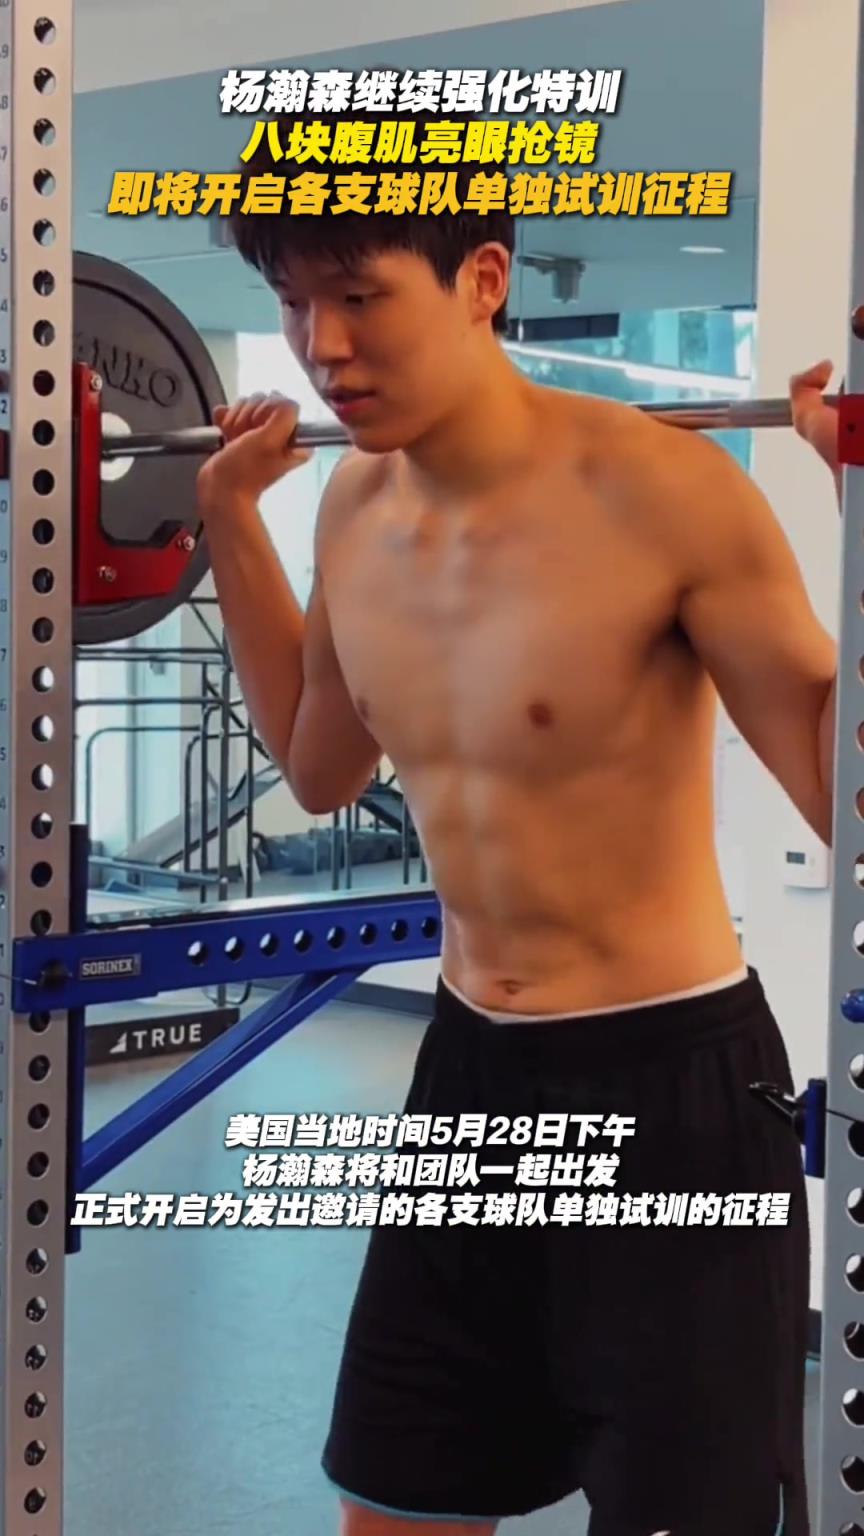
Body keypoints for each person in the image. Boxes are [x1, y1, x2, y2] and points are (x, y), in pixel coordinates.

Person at [197, 115, 842, 1536]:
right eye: (293, 303)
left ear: (483, 279)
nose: (323, 348)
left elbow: (835, 792)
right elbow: (318, 765)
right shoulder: (354, 507)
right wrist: (232, 521)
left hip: (666, 1090)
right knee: (398, 1509)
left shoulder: (666, 495)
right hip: (469, 1077)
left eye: (361, 294)